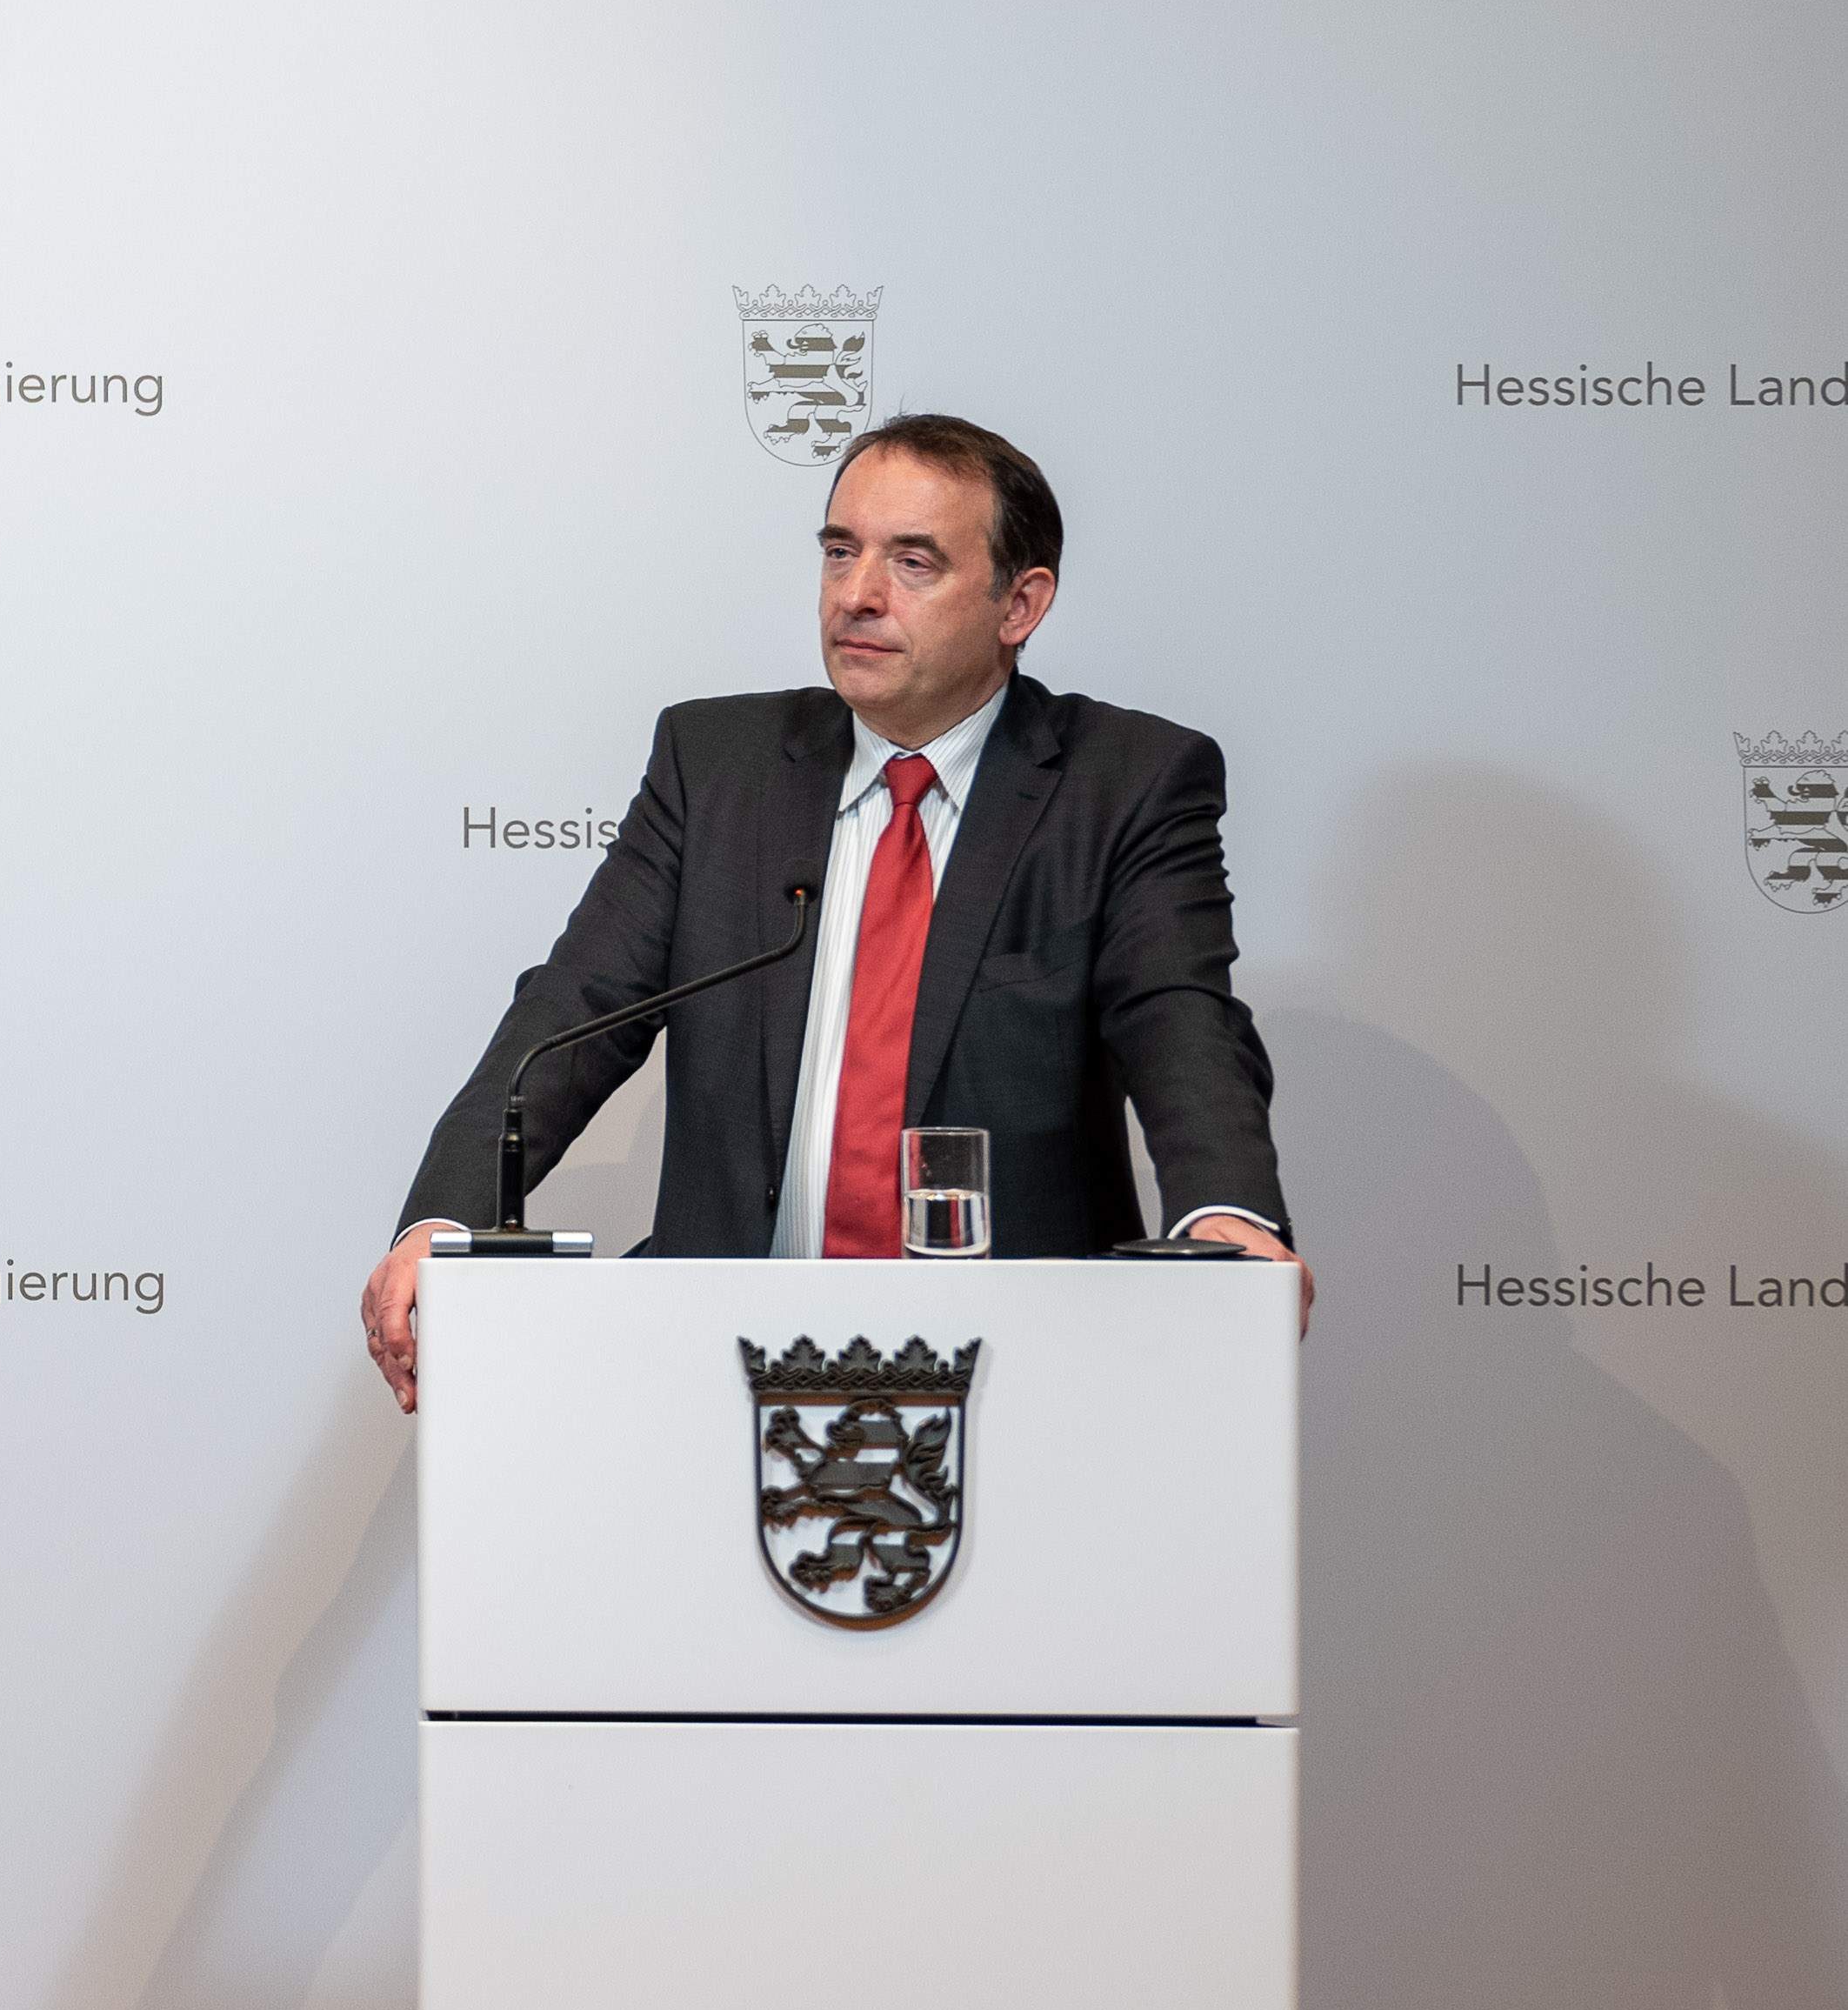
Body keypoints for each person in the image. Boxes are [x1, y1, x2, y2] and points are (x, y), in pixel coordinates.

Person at [357, 414, 1304, 1410]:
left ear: (1019, 603)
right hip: (713, 1363)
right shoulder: (714, 766)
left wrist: (1226, 1215)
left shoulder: (1125, 785)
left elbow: (1179, 1018)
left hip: (1015, 1377)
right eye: (841, 551)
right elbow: (576, 1005)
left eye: (913, 562)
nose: (858, 594)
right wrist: (444, 1222)